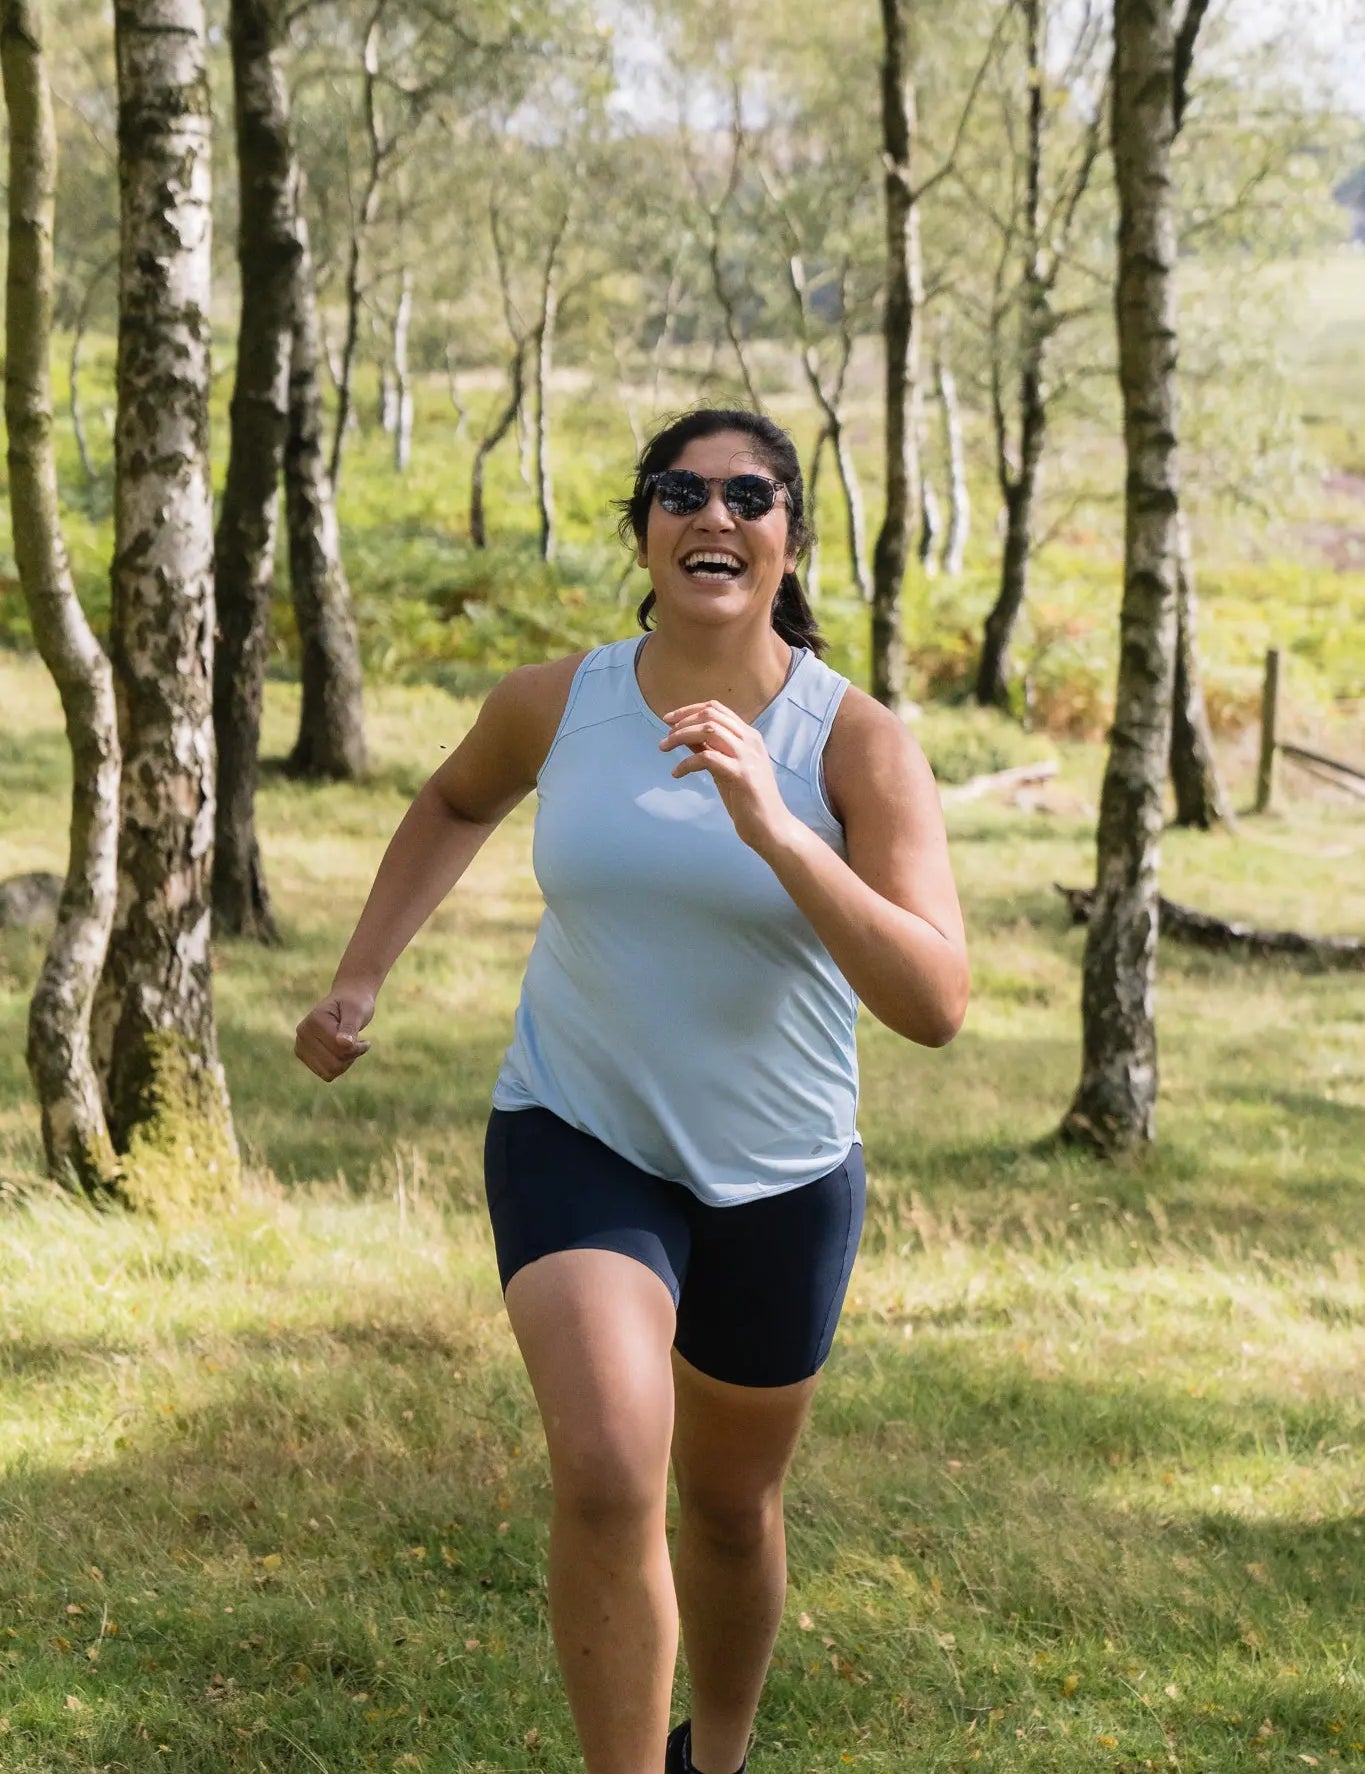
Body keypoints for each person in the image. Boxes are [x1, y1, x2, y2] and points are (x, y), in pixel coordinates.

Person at [294, 407, 969, 1774]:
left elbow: (934, 1002)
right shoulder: (561, 698)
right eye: (679, 490)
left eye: (747, 494)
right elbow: (452, 801)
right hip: (576, 1127)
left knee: (728, 1505)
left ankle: (710, 1755)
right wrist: (362, 973)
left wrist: (779, 831)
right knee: (608, 1465)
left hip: (777, 1173)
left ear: (787, 538)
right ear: (645, 531)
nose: (711, 513)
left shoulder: (858, 746)